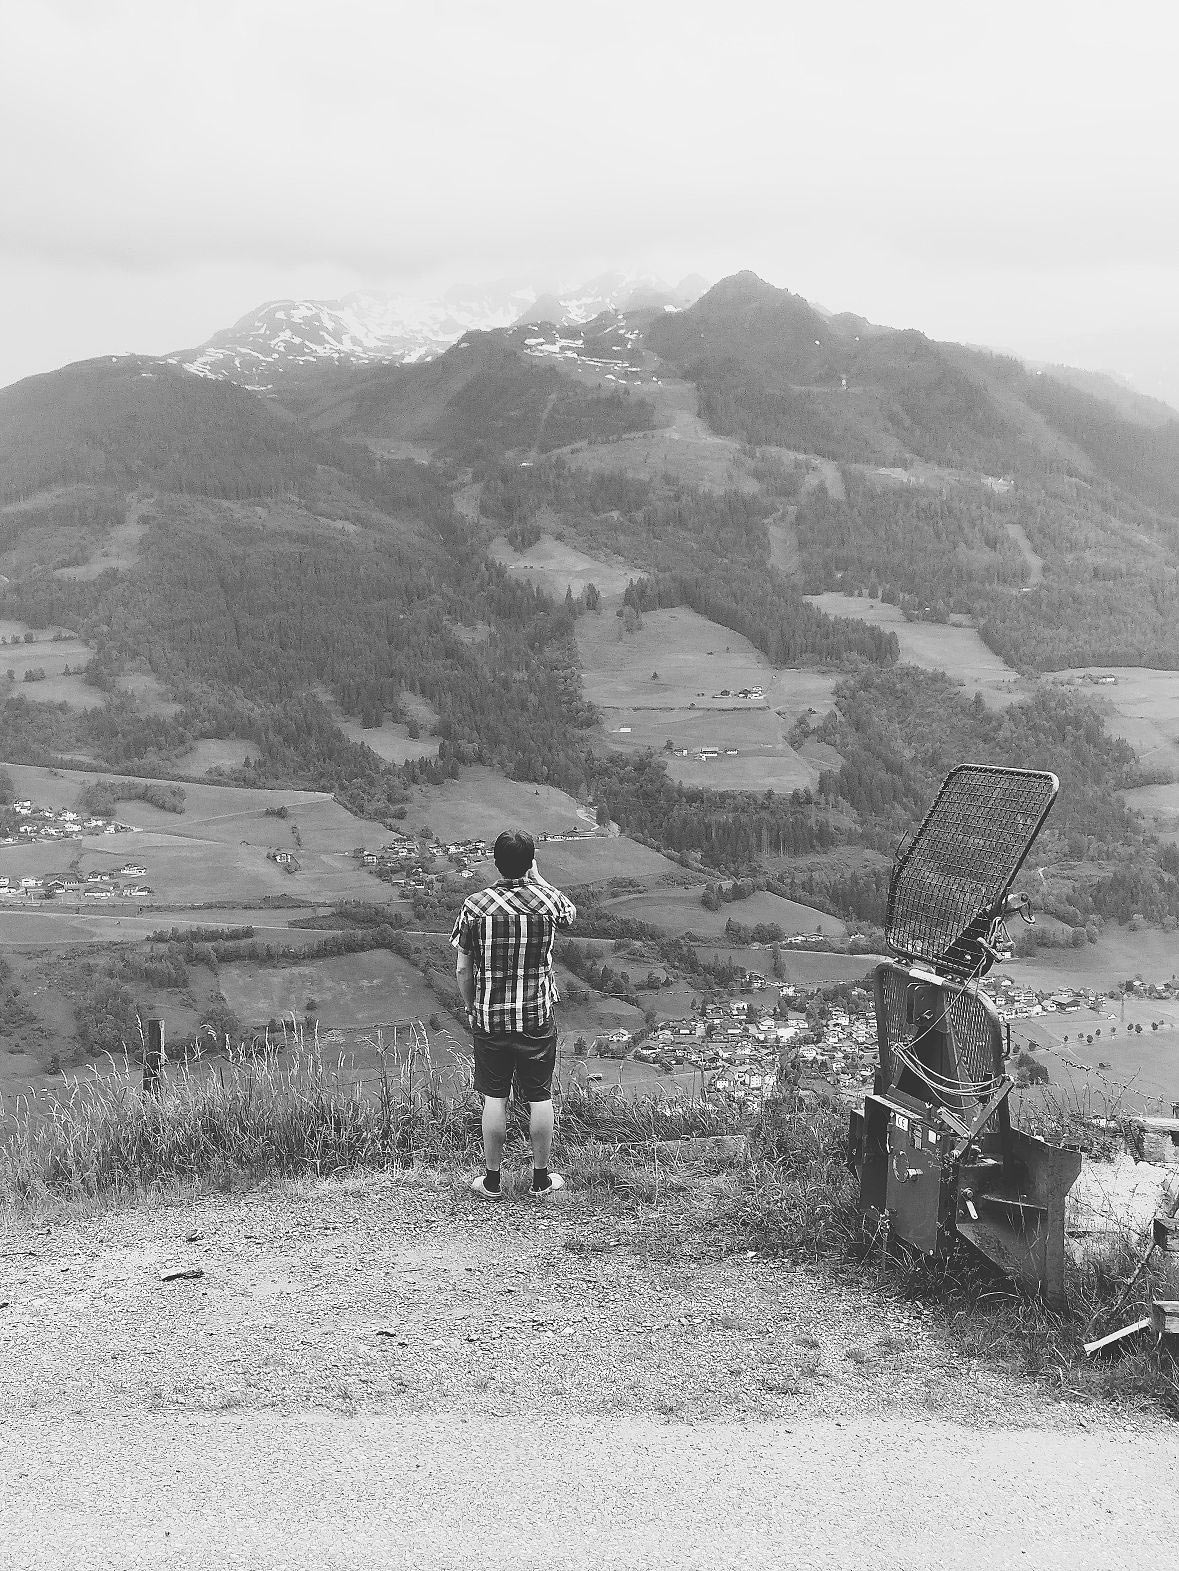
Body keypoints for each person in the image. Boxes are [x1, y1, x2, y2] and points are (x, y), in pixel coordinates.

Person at [450, 828, 576, 1199]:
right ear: (530, 862)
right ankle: (540, 1179)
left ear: (495, 861)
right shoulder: (547, 903)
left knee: (494, 1097)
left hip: (490, 1016)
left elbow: (461, 968)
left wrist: (472, 1006)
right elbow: (569, 912)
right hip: (536, 1015)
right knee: (539, 1095)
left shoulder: (475, 906)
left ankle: (491, 1180)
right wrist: (538, 880)